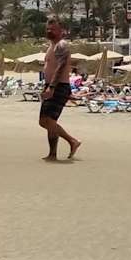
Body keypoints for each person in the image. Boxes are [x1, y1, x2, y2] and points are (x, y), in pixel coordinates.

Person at [38, 18, 82, 161]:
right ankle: (52, 154)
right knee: (50, 121)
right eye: (48, 29)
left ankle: (72, 141)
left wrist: (51, 87)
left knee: (45, 121)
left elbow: (61, 66)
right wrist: (47, 86)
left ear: (61, 31)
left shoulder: (61, 45)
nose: (49, 31)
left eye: (53, 29)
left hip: (58, 86)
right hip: (51, 85)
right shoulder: (51, 46)